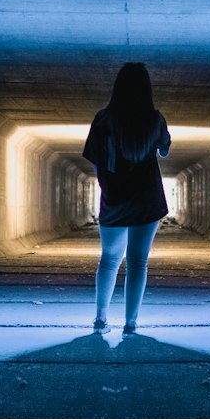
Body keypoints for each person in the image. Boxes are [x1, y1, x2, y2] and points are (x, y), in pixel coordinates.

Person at [82, 62, 171, 336]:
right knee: (138, 261)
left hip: (115, 196)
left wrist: (105, 185)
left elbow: (95, 158)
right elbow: (165, 150)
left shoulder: (103, 119)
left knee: (109, 259)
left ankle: (100, 320)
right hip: (147, 196)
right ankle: (131, 324)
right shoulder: (154, 119)